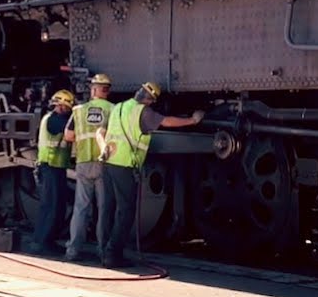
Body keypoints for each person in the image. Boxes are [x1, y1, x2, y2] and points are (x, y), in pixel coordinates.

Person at [93, 81, 204, 267]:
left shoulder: (119, 107)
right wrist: (193, 120)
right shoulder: (143, 112)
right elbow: (166, 121)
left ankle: (104, 251)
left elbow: (100, 131)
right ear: (151, 100)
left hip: (108, 163)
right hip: (123, 165)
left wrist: (103, 146)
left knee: (108, 208)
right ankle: (113, 255)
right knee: (126, 211)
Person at [62, 73, 113, 261]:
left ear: (93, 90)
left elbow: (68, 136)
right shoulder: (113, 109)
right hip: (103, 164)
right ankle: (103, 251)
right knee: (104, 208)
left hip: (83, 163)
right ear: (107, 90)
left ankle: (73, 250)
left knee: (81, 208)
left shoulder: (79, 110)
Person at [29, 89, 74, 254]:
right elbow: (70, 133)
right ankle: (41, 242)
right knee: (51, 206)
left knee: (56, 206)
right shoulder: (55, 120)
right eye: (68, 108)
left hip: (56, 168)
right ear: (61, 106)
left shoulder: (54, 118)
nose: (68, 111)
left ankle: (47, 241)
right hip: (50, 167)